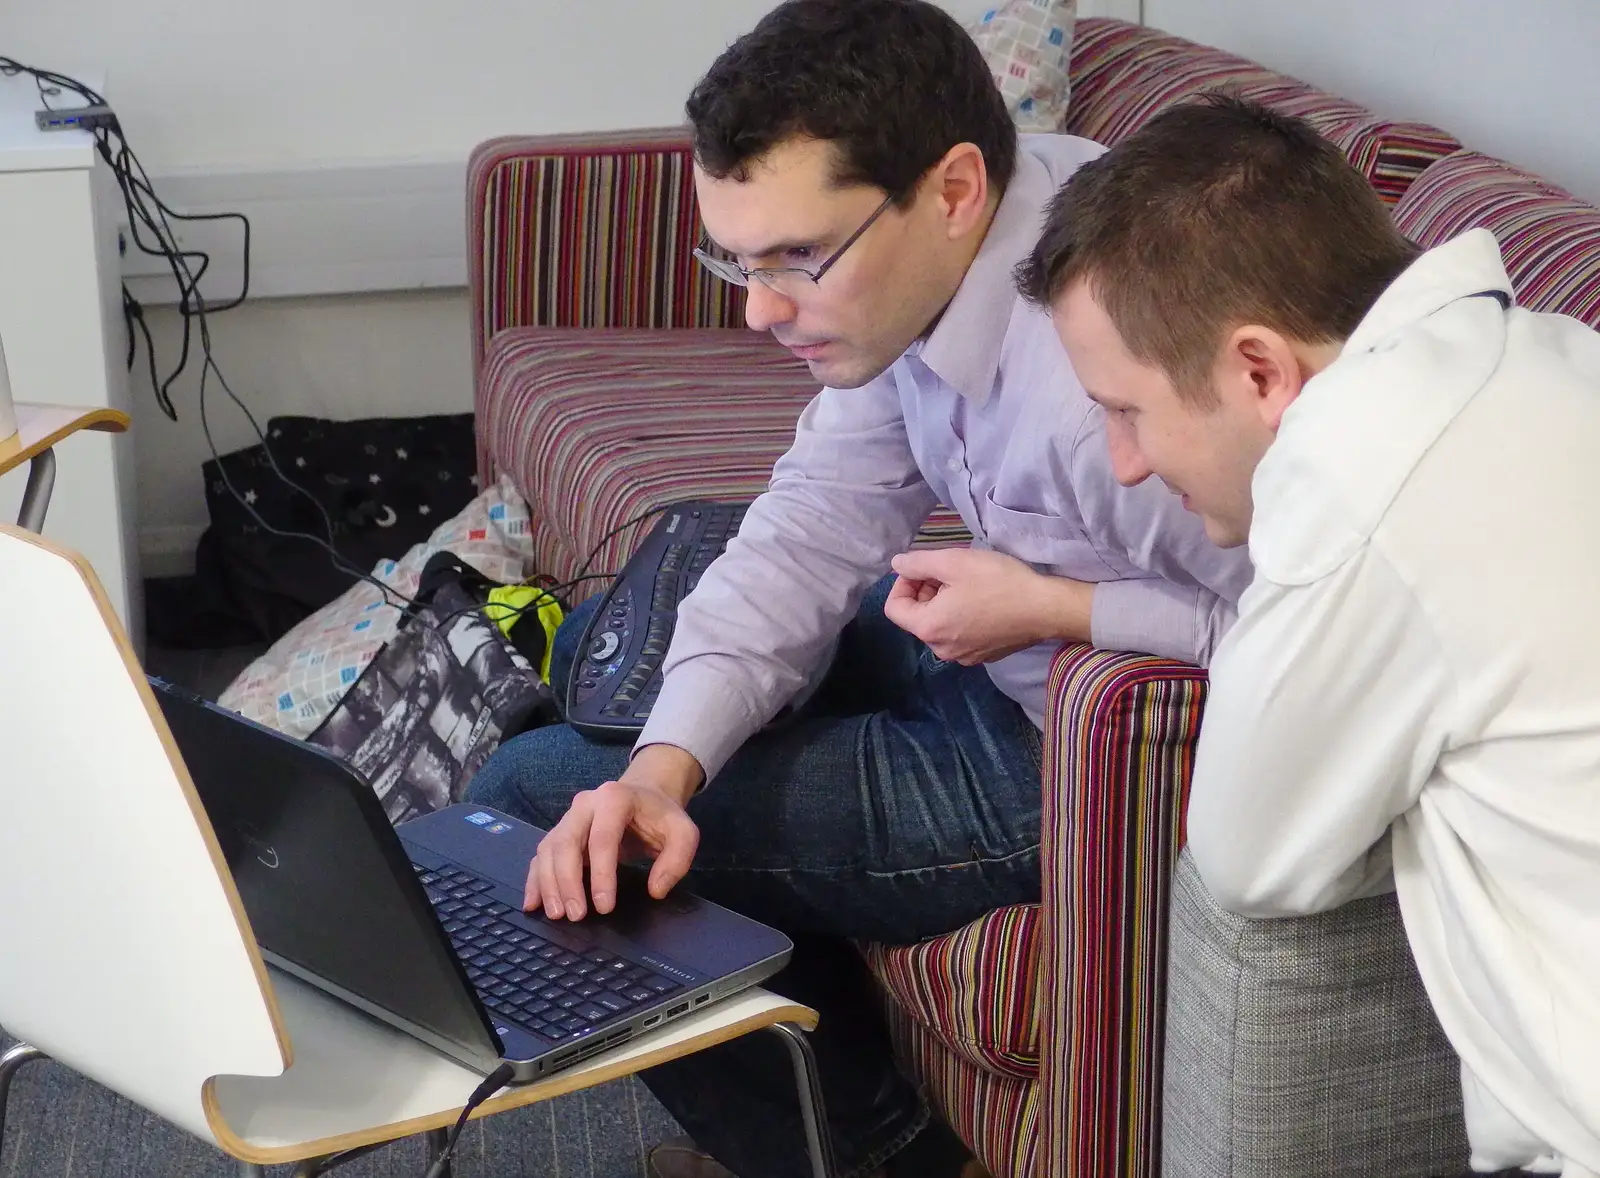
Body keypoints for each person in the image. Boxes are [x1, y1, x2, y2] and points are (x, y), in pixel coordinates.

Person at [467, 4, 1250, 1176]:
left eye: (794, 258)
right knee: (611, 659)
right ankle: (809, 1072)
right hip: (993, 652)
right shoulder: (927, 282)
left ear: (951, 189)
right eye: (734, 258)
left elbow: (1305, 630)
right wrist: (660, 771)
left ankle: (865, 1155)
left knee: (530, 794)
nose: (757, 308)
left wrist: (1061, 610)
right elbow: (807, 533)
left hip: (1086, 765)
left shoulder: (1107, 392)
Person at [1019, 92, 1600, 1177]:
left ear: (1257, 371)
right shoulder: (1551, 357)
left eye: (1126, 409)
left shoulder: (1368, 469)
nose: (1124, 462)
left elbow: (1244, 854)